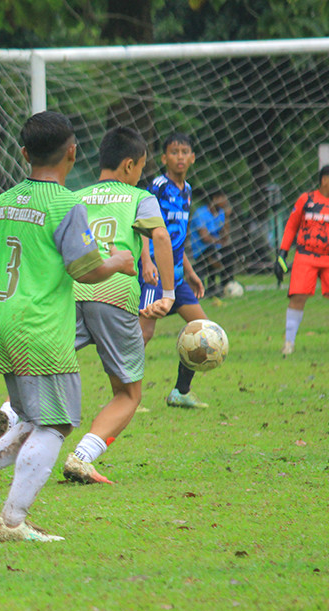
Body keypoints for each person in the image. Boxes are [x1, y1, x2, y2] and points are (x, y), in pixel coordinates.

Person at [0, 111, 135, 542]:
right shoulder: (67, 205)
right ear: (72, 153)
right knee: (56, 425)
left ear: (24, 153)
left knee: (36, 418)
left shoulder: (6, 200)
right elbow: (86, 270)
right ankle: (11, 521)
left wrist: (6, 283)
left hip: (8, 323)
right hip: (43, 331)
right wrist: (119, 262)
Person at [62, 126, 175, 485]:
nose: (141, 173)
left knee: (39, 372)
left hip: (72, 293)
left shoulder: (74, 196)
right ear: (129, 165)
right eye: (141, 166)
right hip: (113, 296)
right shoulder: (139, 197)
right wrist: (168, 294)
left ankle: (3, 421)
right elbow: (158, 234)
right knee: (127, 393)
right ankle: (83, 457)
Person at [138, 132, 210, 409]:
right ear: (164, 158)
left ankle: (181, 391)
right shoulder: (158, 186)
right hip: (156, 272)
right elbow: (143, 224)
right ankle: (126, 396)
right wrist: (146, 259)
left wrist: (189, 271)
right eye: (174, 152)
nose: (180, 156)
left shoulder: (187, 191)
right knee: (144, 333)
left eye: (185, 152)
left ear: (192, 158)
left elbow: (176, 238)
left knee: (202, 330)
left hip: (178, 274)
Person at [275, 164, 329, 356]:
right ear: (324, 179)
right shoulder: (306, 200)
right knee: (298, 296)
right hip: (305, 256)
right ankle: (289, 343)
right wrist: (282, 254)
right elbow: (291, 227)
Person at [190, 189, 234, 297]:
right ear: (214, 199)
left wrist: (227, 217)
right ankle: (210, 286)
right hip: (201, 250)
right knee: (213, 254)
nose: (225, 201)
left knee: (230, 252)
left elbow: (225, 236)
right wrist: (220, 241)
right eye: (222, 198)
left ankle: (226, 286)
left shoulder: (221, 214)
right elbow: (204, 237)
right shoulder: (200, 214)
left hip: (216, 247)